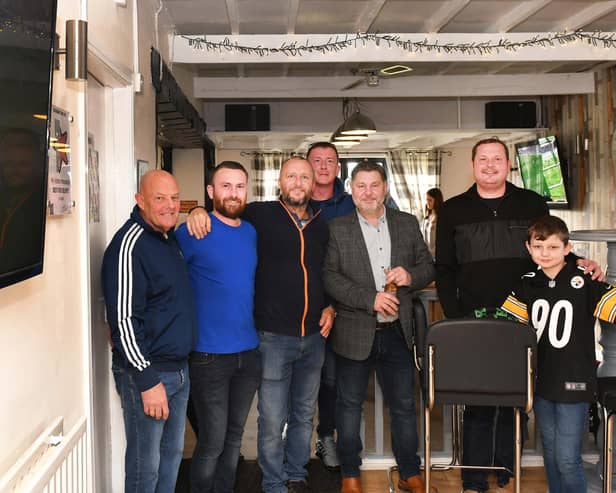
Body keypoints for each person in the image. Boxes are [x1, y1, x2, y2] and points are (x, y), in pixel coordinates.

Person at [435, 137, 603, 493]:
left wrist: (580, 264)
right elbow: (445, 269)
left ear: (509, 163)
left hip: (527, 325)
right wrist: (455, 317)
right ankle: (474, 476)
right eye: (484, 159)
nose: (491, 165)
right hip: (475, 323)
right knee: (478, 402)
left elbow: (548, 247)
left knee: (517, 401)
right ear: (473, 165)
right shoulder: (452, 210)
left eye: (498, 158)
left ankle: (506, 467)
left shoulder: (532, 202)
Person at [187, 156, 335, 493]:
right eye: (291, 177)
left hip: (313, 338)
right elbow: (224, 211)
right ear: (279, 183)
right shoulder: (259, 215)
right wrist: (196, 211)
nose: (298, 183)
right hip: (271, 339)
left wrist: (331, 307)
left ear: (313, 185)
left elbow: (325, 275)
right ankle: (273, 482)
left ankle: (296, 473)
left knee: (303, 414)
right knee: (271, 419)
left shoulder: (321, 226)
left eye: (305, 177)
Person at [323, 161, 436, 493]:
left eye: (375, 185)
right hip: (354, 332)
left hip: (398, 334)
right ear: (352, 191)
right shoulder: (337, 228)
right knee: (348, 406)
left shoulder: (406, 222)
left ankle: (410, 472)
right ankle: (350, 474)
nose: (369, 192)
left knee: (403, 405)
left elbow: (428, 266)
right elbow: (329, 277)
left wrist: (410, 277)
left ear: (386, 188)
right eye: (361, 186)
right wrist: (368, 298)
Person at [501, 215, 616, 493]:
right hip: (540, 379)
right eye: (539, 247)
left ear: (567, 248)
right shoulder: (527, 283)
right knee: (551, 455)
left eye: (553, 247)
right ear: (528, 248)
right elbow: (511, 331)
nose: (545, 253)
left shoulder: (585, 280)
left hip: (574, 378)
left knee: (567, 457)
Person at [102, 170, 196, 493]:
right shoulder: (130, 245)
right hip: (149, 374)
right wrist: (147, 378)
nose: (170, 205)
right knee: (146, 471)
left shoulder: (167, 239)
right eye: (159, 198)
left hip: (178, 371)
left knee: (171, 459)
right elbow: (125, 321)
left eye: (174, 198)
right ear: (140, 200)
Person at [175, 161, 261, 493]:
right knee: (212, 440)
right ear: (211, 191)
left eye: (239, 186)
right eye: (225, 186)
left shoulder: (251, 232)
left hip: (248, 353)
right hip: (208, 355)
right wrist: (195, 211)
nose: (233, 193)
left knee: (234, 437)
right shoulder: (193, 231)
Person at [305, 141, 355, 470]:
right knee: (297, 381)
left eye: (330, 161)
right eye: (317, 161)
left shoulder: (351, 205)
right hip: (300, 308)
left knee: (332, 381)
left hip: (341, 308)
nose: (323, 166)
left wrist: (336, 304)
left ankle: (326, 437)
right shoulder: (289, 202)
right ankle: (291, 440)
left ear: (338, 168)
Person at [421, 187, 443, 259]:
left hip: (436, 257)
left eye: (430, 200)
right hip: (426, 256)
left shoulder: (441, 218)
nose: (427, 203)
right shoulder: (426, 218)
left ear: (437, 201)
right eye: (427, 200)